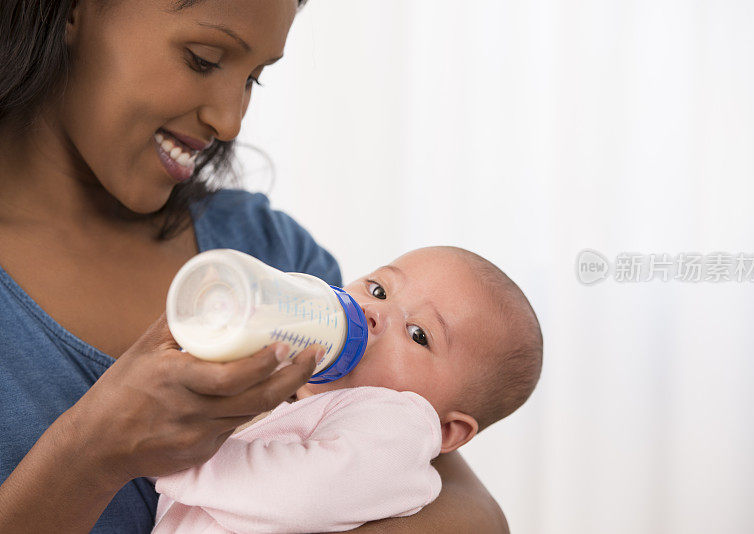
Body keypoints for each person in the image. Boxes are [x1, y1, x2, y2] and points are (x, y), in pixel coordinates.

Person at [0, 1, 512, 532]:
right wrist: (91, 450)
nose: (229, 121)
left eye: (253, 79)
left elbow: (471, 517)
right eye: (203, 58)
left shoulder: (271, 258)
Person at [151, 246, 543, 533]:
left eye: (419, 334)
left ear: (444, 431)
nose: (376, 312)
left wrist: (178, 462)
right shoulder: (299, 393)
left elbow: (304, 494)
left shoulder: (399, 425)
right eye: (378, 290)